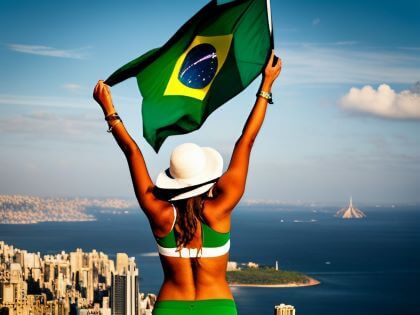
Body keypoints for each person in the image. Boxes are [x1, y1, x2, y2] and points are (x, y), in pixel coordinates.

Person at [93, 50, 282, 315]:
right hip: (218, 307)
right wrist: (266, 85)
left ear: (173, 180)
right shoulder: (220, 209)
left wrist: (109, 109)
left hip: (171, 307)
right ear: (206, 176)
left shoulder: (158, 213)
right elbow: (246, 141)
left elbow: (132, 151)